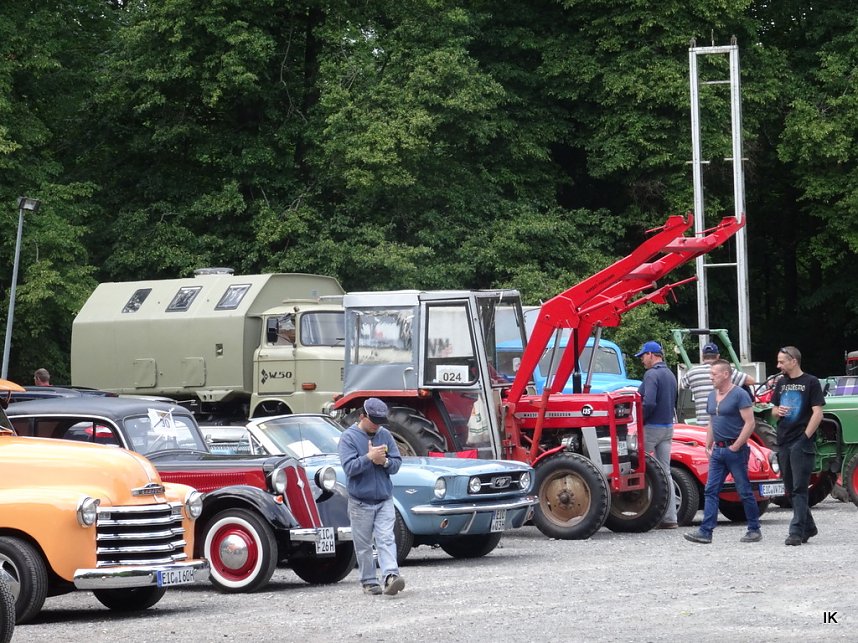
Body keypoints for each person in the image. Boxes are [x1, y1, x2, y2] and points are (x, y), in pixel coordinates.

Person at [683, 359, 762, 544]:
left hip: (735, 449)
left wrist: (737, 445)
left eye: (714, 374)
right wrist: (707, 444)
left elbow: (750, 423)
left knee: (743, 490)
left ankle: (754, 528)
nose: (711, 378)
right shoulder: (712, 396)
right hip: (718, 450)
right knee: (711, 490)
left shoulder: (740, 395)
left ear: (726, 374)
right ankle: (706, 531)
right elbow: (712, 421)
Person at [338, 397, 405, 595]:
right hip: (360, 502)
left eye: (380, 422)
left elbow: (397, 463)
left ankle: (391, 576)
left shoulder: (385, 434)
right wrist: (369, 458)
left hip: (384, 499)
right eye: (374, 421)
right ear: (362, 416)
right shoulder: (348, 438)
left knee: (386, 538)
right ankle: (369, 581)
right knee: (364, 545)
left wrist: (383, 462)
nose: (377, 426)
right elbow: (349, 468)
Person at [771, 346, 824, 546]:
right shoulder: (781, 382)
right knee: (789, 488)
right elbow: (774, 411)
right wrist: (779, 412)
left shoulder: (811, 382)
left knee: (799, 488)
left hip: (801, 441)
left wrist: (805, 437)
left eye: (782, 361)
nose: (778, 365)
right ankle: (809, 527)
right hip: (783, 439)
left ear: (794, 361)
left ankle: (796, 532)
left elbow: (818, 412)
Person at [635, 340, 678, 529]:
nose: (642, 360)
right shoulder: (669, 374)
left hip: (652, 427)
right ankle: (670, 518)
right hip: (668, 427)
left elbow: (649, 402)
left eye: (643, 356)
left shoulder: (651, 374)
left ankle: (637, 512)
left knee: (636, 467)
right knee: (665, 472)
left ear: (651, 355)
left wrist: (640, 420)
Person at [681, 342, 756, 424]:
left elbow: (683, 385)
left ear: (702, 357)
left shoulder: (691, 373)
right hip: (722, 424)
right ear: (718, 357)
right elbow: (751, 381)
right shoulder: (726, 371)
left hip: (702, 423)